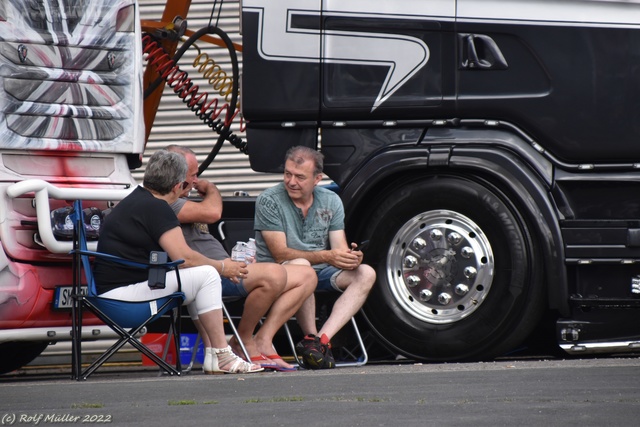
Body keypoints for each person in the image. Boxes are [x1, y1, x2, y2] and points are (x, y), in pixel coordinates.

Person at [93, 149, 263, 375]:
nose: (189, 189)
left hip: (113, 296)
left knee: (199, 277)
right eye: (188, 185)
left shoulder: (136, 200)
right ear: (177, 187)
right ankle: (221, 354)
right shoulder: (157, 208)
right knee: (206, 274)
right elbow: (185, 258)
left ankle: (215, 355)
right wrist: (224, 266)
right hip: (125, 302)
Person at [166, 145, 317, 371]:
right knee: (274, 274)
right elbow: (214, 213)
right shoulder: (168, 202)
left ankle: (260, 338)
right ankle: (244, 339)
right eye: (194, 175)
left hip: (226, 268)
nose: (197, 180)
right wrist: (211, 189)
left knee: (306, 275)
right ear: (177, 177)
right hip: (211, 273)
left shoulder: (184, 200)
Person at [254, 145, 376, 369]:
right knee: (302, 267)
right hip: (279, 271)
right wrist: (329, 256)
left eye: (300, 177)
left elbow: (338, 249)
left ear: (317, 179)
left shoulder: (331, 201)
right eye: (287, 174)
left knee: (366, 273)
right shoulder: (269, 199)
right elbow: (280, 253)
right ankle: (310, 337)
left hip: (318, 268)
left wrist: (350, 258)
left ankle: (320, 342)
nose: (291, 181)